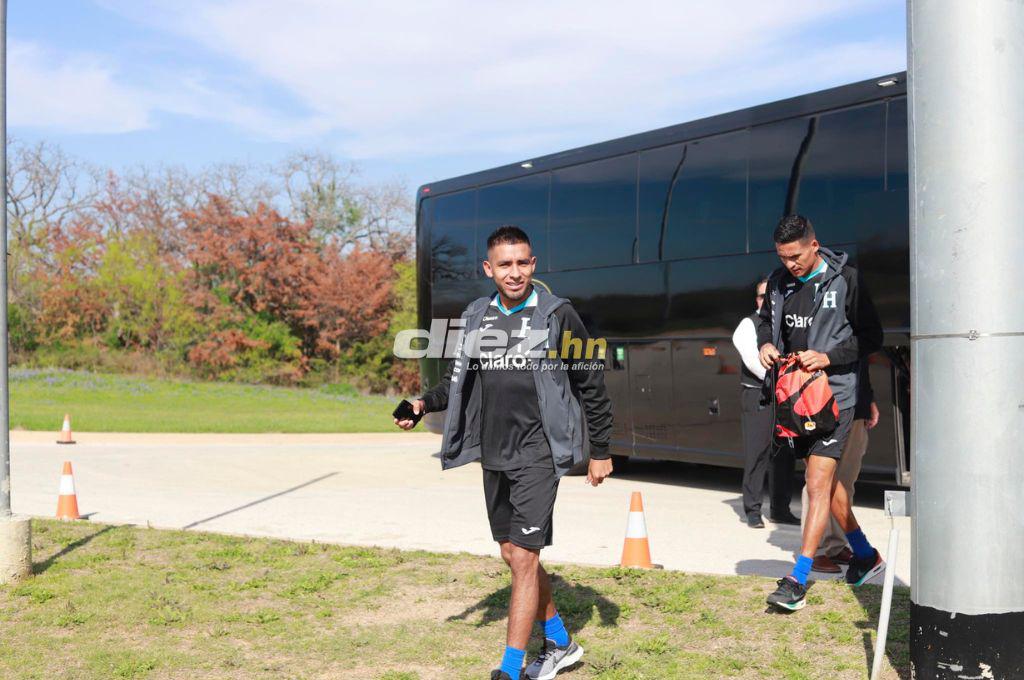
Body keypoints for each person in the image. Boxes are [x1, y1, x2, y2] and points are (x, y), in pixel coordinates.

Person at [394, 225, 614, 679]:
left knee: (527, 558)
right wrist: (421, 404)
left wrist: (601, 449)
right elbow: (458, 380)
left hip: (538, 452)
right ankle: (560, 642)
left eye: (522, 263)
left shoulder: (557, 315)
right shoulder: (478, 315)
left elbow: (591, 383)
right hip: (494, 452)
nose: (514, 273)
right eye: (505, 264)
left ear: (533, 265)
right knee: (513, 554)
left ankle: (511, 669)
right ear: (488, 269)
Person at [756, 214, 885, 612]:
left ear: (814, 245)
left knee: (816, 485)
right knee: (830, 490)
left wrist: (828, 357)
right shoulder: (778, 281)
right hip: (793, 399)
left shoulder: (847, 279)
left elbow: (872, 337)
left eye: (795, 256)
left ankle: (798, 579)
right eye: (783, 257)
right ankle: (865, 555)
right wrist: (765, 344)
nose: (790, 264)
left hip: (836, 398)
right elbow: (764, 321)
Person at [733, 277, 797, 528]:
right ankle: (752, 510)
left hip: (785, 395)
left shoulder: (783, 323)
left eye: (769, 294)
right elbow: (756, 364)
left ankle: (780, 509)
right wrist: (790, 378)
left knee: (785, 453)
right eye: (761, 295)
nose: (765, 299)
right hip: (759, 395)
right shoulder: (747, 326)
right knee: (757, 453)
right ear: (756, 299)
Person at [806, 363, 880, 573]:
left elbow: (861, 365)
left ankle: (835, 546)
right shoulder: (824, 330)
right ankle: (816, 551)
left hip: (856, 408)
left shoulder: (854, 332)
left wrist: (869, 400)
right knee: (818, 482)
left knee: (845, 483)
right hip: (825, 407)